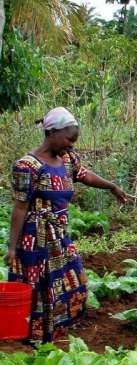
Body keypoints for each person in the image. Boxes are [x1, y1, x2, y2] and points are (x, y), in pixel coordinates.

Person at [5, 107, 126, 343]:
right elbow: (19, 207)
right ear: (52, 132)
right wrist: (12, 247)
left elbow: (85, 175)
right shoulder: (27, 166)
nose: (71, 145)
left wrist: (112, 186)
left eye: (74, 141)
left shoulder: (67, 159)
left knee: (74, 281)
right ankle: (35, 336)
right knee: (40, 286)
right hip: (35, 237)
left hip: (59, 233)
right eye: (69, 139)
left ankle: (58, 329)